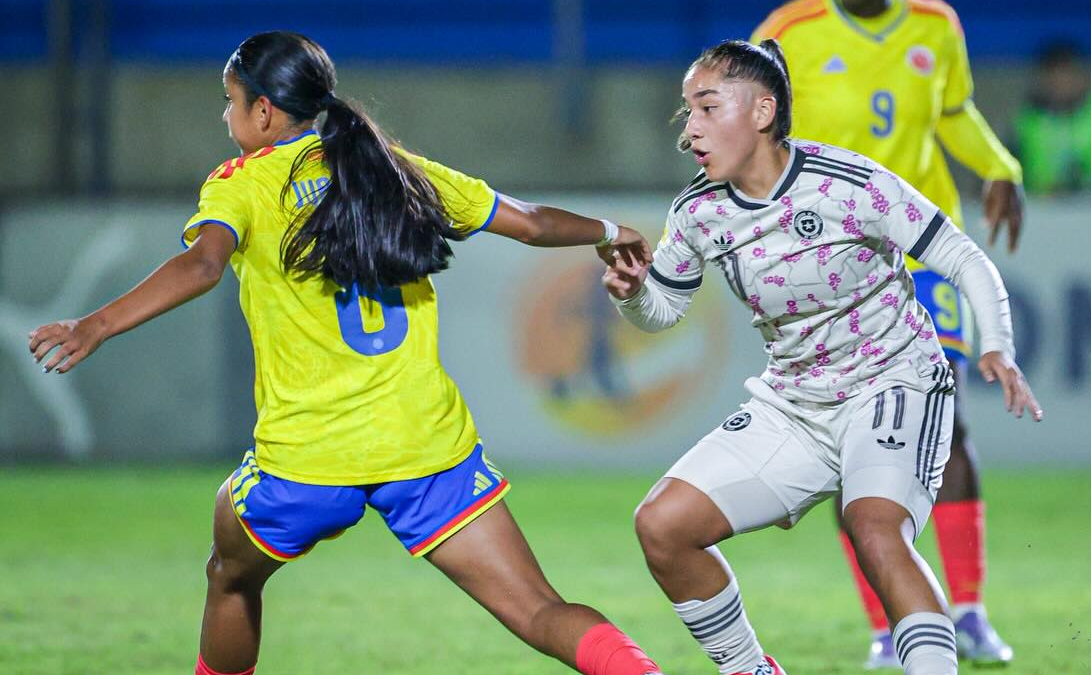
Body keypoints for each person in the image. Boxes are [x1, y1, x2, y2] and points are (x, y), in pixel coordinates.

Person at [28, 31, 664, 675]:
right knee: (537, 610)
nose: (225, 116)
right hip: (425, 448)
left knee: (230, 577)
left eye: (229, 101)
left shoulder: (242, 183)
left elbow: (202, 265)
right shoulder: (389, 166)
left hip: (308, 460)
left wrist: (96, 325)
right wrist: (610, 232)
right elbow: (528, 222)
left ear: (266, 113)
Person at [602, 40, 1041, 675]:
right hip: (796, 405)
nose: (689, 130)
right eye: (685, 111)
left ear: (761, 111)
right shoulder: (698, 212)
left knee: (874, 530)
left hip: (895, 383)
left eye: (705, 106)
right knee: (663, 526)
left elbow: (963, 257)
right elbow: (662, 311)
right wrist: (634, 294)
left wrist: (996, 343)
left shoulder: (850, 183)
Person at [751, 0, 1024, 665]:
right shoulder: (788, 32)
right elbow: (747, 134)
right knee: (853, 444)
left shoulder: (937, 23)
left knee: (948, 421)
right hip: (831, 266)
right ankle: (886, 625)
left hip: (921, 252)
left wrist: (999, 167)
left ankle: (968, 614)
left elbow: (953, 114)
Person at [1012, 39, 1091, 195]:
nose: (1060, 82)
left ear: (1081, 75)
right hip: (1042, 210)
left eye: (1067, 73)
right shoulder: (1025, 119)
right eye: (1053, 74)